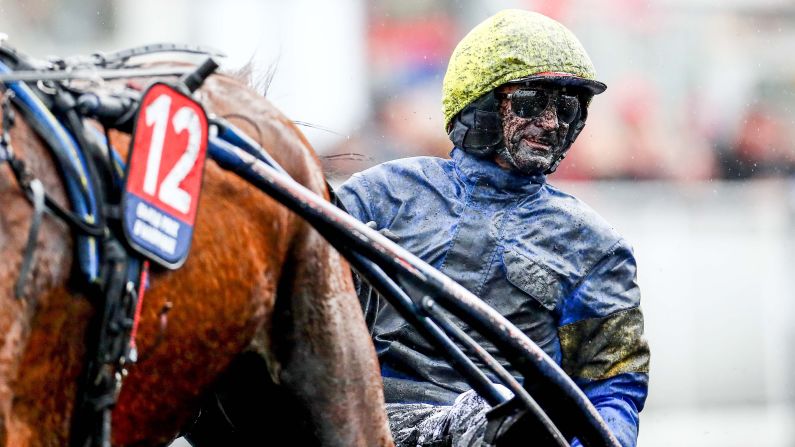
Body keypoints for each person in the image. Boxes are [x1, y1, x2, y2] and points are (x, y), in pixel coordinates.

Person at [336, 9, 650, 447]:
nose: (551, 122)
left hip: (499, 429)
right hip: (366, 421)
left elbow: (611, 389)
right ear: (480, 103)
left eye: (566, 107)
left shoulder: (594, 247)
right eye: (529, 103)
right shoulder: (379, 195)